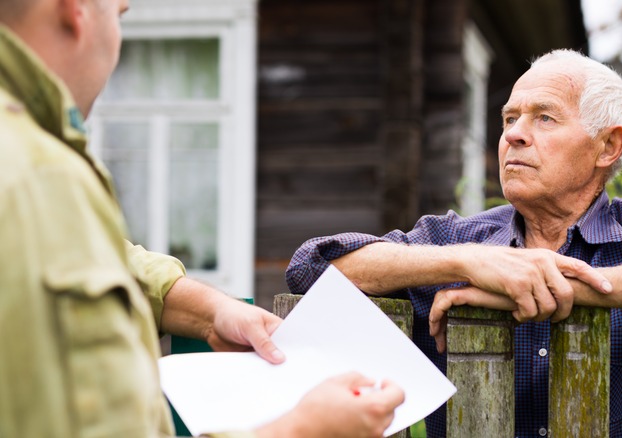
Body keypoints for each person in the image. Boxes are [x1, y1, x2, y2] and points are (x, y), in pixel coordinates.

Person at [286, 49, 622, 437]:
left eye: (544, 118)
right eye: (509, 119)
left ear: (608, 146)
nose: (514, 135)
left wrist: (560, 283)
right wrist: (473, 263)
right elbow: (312, 267)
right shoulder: (458, 240)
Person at [0, 0, 404, 437]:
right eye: (118, 17)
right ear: (74, 10)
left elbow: (81, 255)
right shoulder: (35, 179)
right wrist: (303, 430)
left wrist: (209, 312)